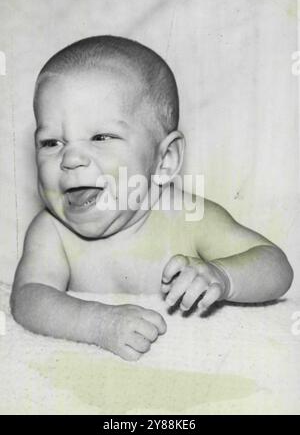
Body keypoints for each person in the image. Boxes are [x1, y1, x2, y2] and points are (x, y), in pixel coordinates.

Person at [10, 36, 293, 361]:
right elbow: (28, 298)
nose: (70, 159)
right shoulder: (52, 232)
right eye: (51, 143)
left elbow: (276, 267)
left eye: (101, 137)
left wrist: (223, 276)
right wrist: (98, 323)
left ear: (165, 160)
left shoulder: (187, 216)